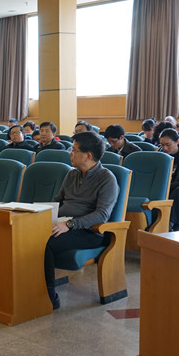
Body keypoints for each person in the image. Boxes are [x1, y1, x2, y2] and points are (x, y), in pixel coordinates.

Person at [44, 131, 118, 310]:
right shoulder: (72, 175)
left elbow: (102, 215)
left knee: (45, 242)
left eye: (74, 150)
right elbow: (57, 201)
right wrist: (39, 215)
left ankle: (49, 296)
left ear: (88, 156)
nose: (70, 153)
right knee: (24, 235)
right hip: (63, 224)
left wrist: (69, 225)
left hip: (89, 232)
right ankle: (28, 286)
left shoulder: (107, 179)